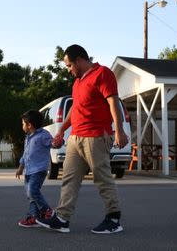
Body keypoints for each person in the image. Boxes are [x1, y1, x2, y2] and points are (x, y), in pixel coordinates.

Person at [36, 44, 129, 234]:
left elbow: (113, 102)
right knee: (69, 179)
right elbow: (74, 109)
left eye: (69, 65)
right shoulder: (78, 82)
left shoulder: (102, 74)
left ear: (79, 60)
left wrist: (119, 130)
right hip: (75, 137)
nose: (69, 70)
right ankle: (62, 218)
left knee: (102, 178)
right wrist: (62, 130)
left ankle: (113, 219)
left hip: (96, 136)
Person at [16, 109, 64, 228]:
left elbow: (53, 143)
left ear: (29, 125)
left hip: (39, 170)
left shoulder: (43, 135)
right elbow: (25, 154)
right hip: (29, 171)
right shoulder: (28, 138)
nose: (22, 126)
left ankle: (47, 211)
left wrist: (59, 142)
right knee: (30, 194)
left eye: (23, 123)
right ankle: (34, 217)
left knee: (32, 191)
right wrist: (20, 167)